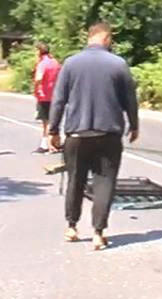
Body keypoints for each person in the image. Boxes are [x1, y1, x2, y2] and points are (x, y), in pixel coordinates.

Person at [47, 22, 139, 250]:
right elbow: (130, 99)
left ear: (89, 38)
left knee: (75, 180)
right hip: (108, 133)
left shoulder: (70, 63)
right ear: (106, 38)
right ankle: (98, 233)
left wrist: (53, 130)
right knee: (104, 182)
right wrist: (134, 125)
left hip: (77, 134)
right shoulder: (118, 64)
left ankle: (71, 227)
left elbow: (58, 100)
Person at [31, 42, 62, 154]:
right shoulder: (55, 62)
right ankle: (57, 142)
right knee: (54, 120)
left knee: (46, 122)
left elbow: (39, 78)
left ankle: (45, 145)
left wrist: (35, 87)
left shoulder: (42, 64)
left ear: (39, 51)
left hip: (44, 95)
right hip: (55, 94)